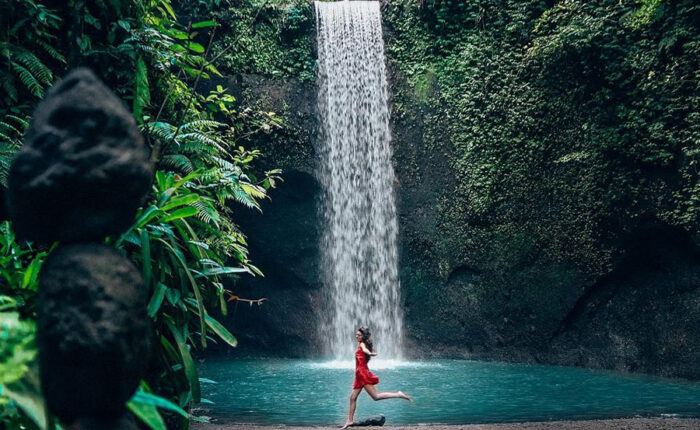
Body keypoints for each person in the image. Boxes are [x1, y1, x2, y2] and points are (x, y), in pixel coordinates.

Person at [341, 326, 411, 429]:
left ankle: (398, 394)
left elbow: (365, 350)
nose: (357, 336)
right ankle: (350, 420)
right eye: (356, 334)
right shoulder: (361, 344)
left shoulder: (362, 344)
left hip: (363, 375)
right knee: (352, 398)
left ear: (363, 336)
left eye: (359, 335)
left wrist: (370, 353)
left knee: (376, 397)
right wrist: (371, 352)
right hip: (359, 375)